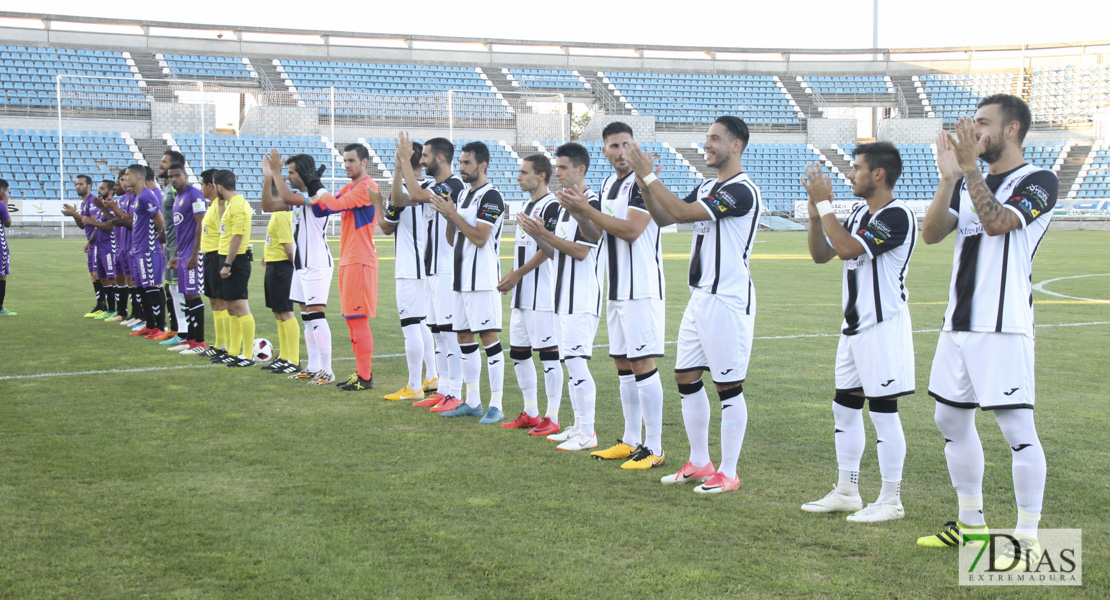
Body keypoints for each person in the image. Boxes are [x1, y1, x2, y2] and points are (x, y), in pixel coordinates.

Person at [917, 95, 1057, 569]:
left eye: (983, 123)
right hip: (958, 323)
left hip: (1002, 323)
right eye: (973, 123)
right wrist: (948, 179)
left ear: (1012, 129)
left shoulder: (1038, 180)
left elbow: (997, 224)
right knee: (950, 421)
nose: (973, 131)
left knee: (1016, 428)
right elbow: (932, 233)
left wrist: (970, 170)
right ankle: (972, 525)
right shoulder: (966, 178)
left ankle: (1028, 536)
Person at [630, 116, 760, 492]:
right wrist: (644, 181)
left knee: (728, 386)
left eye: (715, 139)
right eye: (707, 138)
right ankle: (700, 462)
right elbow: (666, 216)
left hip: (728, 300)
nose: (708, 144)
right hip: (700, 298)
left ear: (736, 145)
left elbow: (685, 213)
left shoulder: (741, 190)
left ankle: (729, 472)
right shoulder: (707, 185)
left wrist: (651, 177)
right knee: (685, 376)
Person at [800, 142, 916, 518]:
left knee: (883, 412)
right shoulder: (857, 213)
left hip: (882, 327)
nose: (850, 175)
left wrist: (825, 205)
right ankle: (848, 490)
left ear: (878, 174)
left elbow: (849, 249)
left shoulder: (897, 216)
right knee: (845, 408)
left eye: (857, 168)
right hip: (853, 328)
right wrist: (818, 214)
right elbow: (822, 255)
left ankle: (891, 499)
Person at [559, 122, 667, 470]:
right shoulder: (608, 184)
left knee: (642, 364)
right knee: (623, 364)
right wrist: (579, 210)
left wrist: (587, 211)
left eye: (626, 144)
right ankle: (630, 439)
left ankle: (654, 447)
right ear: (604, 151)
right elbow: (597, 233)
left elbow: (633, 230)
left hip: (642, 288)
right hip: (617, 288)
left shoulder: (642, 180)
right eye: (614, 146)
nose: (621, 152)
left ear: (634, 146)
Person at [517, 142, 603, 449]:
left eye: (563, 167)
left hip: (581, 297)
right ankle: (578, 425)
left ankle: (589, 433)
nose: (558, 173)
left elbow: (581, 251)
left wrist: (545, 235)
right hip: (562, 296)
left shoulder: (590, 202)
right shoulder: (566, 203)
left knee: (578, 364)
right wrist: (537, 232)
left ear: (580, 169)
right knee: (570, 364)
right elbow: (555, 252)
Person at [428, 141, 506, 422]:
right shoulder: (463, 198)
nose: (461, 168)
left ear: (482, 166)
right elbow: (453, 239)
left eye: (467, 163)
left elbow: (480, 237)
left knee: (489, 339)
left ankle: (496, 403)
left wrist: (452, 216)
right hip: (460, 280)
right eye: (459, 163)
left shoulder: (492, 197)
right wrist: (450, 217)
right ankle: (472, 400)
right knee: (463, 338)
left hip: (483, 280)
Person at [305, 143, 385, 391]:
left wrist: (317, 186)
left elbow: (334, 205)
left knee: (358, 319)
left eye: (351, 160)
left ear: (364, 163)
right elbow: (321, 210)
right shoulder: (349, 188)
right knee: (351, 319)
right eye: (345, 160)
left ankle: (365, 377)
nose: (347, 165)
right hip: (349, 260)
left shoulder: (367, 187)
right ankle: (361, 374)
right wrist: (312, 185)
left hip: (360, 261)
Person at [395, 135, 466, 410]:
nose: (421, 161)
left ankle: (456, 393)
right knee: (437, 332)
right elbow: (401, 198)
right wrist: (399, 168)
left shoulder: (453, 185)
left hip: (448, 269)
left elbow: (412, 195)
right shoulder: (433, 186)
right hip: (432, 271)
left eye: (424, 156)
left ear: (439, 158)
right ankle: (444, 389)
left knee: (449, 335)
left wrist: (404, 159)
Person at [497, 155, 563, 431]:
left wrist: (517, 274)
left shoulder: (552, 206)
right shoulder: (527, 204)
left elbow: (548, 252)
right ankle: (531, 411)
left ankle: (553, 416)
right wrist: (515, 276)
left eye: (524, 173)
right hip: (523, 295)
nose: (518, 177)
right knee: (520, 353)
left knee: (548, 353)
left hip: (544, 294)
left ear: (542, 175)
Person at [266, 152, 336, 380]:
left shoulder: (316, 196)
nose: (288, 177)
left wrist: (276, 173)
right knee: (307, 319)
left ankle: (327, 370)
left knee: (316, 317)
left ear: (304, 173)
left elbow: (286, 198)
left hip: (316, 264)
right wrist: (269, 177)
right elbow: (268, 205)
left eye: (291, 172)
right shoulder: (298, 197)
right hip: (302, 265)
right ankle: (313, 366)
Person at [379, 140, 438, 402]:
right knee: (422, 321)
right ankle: (432, 376)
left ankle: (414, 385)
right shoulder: (431, 187)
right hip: (427, 265)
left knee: (410, 324)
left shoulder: (402, 189)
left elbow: (387, 226)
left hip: (410, 266)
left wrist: (375, 205)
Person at [115, 164, 167, 338]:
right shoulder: (138, 197)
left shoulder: (146, 195)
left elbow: (159, 220)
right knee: (142, 288)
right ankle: (150, 324)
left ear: (137, 176)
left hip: (148, 249)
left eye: (127, 174)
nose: (125, 178)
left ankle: (160, 326)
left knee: (152, 287)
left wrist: (162, 243)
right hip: (138, 249)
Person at [259, 162, 299, 373]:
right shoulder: (276, 213)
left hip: (283, 267)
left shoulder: (283, 213)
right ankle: (284, 356)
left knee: (286, 313)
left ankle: (292, 359)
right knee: (278, 313)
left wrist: (296, 268)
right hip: (274, 266)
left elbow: (288, 246)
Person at [165, 164, 209, 354]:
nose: (173, 179)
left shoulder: (194, 195)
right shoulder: (178, 198)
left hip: (192, 254)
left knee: (193, 295)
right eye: (170, 177)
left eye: (177, 176)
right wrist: (175, 255)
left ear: (185, 176)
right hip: (182, 254)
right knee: (186, 295)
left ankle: (199, 341)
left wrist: (194, 253)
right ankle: (190, 339)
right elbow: (181, 231)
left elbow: (200, 224)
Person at [215, 170, 256, 367]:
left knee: (240, 307)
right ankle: (234, 351)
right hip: (228, 258)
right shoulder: (232, 204)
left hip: (236, 261)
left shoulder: (239, 205)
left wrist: (228, 263)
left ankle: (247, 355)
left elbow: (237, 236)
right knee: (231, 308)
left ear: (219, 187)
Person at [197, 169, 230, 359]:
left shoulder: (220, 205)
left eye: (202, 184)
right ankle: (219, 343)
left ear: (211, 185)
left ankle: (225, 345)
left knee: (221, 301)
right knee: (214, 301)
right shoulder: (211, 205)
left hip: (217, 255)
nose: (201, 188)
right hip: (209, 256)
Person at [158, 150, 189, 346]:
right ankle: (179, 329)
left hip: (178, 246)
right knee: (172, 288)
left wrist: (178, 248)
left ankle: (185, 331)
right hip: (170, 244)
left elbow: (183, 221)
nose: (161, 164)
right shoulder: (169, 190)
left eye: (164, 161)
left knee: (180, 289)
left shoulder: (179, 192)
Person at [61, 175, 104, 318]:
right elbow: (82, 225)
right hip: (92, 243)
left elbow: (92, 222)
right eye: (76, 184)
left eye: (80, 184)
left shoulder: (92, 202)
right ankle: (101, 305)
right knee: (93, 275)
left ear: (89, 186)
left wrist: (75, 213)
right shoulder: (84, 203)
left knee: (97, 274)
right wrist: (74, 214)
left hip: (97, 242)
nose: (77, 187)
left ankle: (103, 306)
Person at [89, 179, 119, 321]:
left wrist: (91, 221)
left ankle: (118, 309)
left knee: (112, 278)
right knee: (103, 279)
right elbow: (98, 227)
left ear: (110, 191)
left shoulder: (113, 206)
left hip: (109, 247)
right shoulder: (101, 207)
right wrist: (90, 242)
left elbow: (111, 226)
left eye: (102, 188)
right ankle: (110, 309)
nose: (99, 191)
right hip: (100, 247)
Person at [0, 178, 13, 316]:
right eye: (5, 191)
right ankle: (0, 308)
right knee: (2, 275)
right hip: (0, 245)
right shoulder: (1, 205)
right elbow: (7, 223)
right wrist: (6, 205)